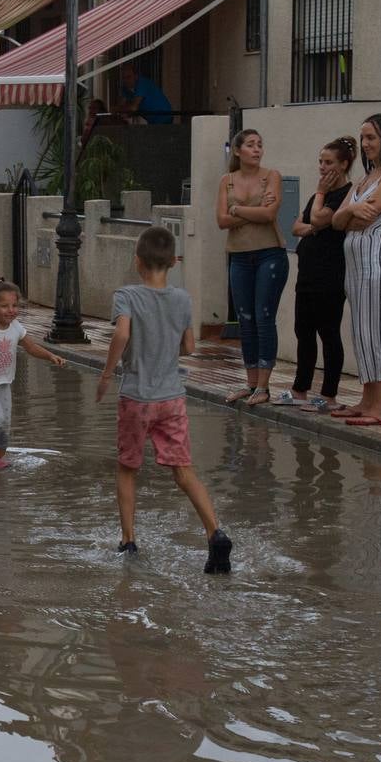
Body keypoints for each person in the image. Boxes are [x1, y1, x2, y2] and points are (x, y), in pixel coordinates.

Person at [96, 226, 232, 571]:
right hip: (172, 398)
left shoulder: (126, 295)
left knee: (127, 467)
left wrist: (107, 374)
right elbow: (189, 347)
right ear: (174, 261)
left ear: (137, 261)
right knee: (184, 471)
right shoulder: (183, 299)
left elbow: (121, 334)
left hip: (136, 397)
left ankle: (128, 541)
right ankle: (215, 533)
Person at [331, 114, 381, 427]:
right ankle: (367, 400)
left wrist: (348, 215)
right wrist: (350, 209)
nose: (364, 144)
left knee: (380, 333)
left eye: (371, 138)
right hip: (356, 266)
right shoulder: (365, 179)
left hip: (379, 263)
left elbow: (367, 218)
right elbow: (338, 221)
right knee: (363, 333)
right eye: (362, 138)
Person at [216, 128, 286, 406]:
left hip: (269, 253)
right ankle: (251, 382)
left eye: (260, 144)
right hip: (239, 256)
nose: (257, 149)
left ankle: (264, 386)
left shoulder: (272, 176)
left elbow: (269, 214)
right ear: (237, 150)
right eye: (250, 145)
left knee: (264, 316)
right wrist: (252, 212)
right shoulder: (227, 181)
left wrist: (236, 210)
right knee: (245, 319)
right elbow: (221, 221)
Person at [0, 275, 64, 469]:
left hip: (4, 383)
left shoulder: (16, 327)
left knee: (6, 422)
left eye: (14, 305)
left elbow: (31, 347)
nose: (11, 310)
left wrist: (50, 356)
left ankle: (1, 457)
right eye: (4, 306)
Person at [286, 137, 355, 412]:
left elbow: (316, 218)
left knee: (328, 332)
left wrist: (318, 207)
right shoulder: (320, 197)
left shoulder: (344, 194)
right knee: (303, 331)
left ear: (344, 164)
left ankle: (329, 395)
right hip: (308, 273)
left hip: (330, 274)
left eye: (328, 162)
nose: (322, 168)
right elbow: (297, 227)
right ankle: (300, 388)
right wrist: (315, 226)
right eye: (320, 162)